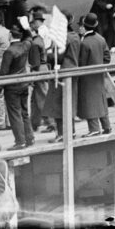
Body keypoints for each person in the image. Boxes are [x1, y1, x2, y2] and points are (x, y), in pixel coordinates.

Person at [42, 13, 80, 142]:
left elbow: (58, 57)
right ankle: (71, 132)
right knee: (69, 104)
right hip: (73, 72)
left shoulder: (63, 38)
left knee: (57, 104)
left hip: (62, 73)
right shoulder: (75, 36)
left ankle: (62, 134)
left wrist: (47, 53)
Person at [0, 24, 34, 150]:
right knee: (24, 112)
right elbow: (30, 37)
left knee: (15, 114)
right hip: (24, 83)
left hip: (12, 87)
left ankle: (20, 141)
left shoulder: (9, 51)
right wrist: (25, 26)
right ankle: (29, 138)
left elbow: (3, 72)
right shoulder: (25, 46)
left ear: (9, 36)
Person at [77, 13, 112, 136]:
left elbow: (81, 63)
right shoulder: (101, 39)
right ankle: (107, 126)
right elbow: (107, 58)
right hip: (99, 74)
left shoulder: (84, 43)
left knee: (89, 102)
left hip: (87, 77)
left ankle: (94, 129)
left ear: (84, 27)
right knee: (100, 100)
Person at [27, 11, 51, 134]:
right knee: (36, 99)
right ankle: (34, 123)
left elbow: (35, 63)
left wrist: (31, 77)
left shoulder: (35, 42)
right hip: (43, 68)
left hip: (38, 70)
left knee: (42, 97)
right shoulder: (40, 39)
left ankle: (51, 122)